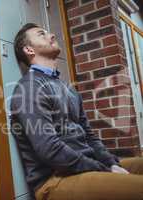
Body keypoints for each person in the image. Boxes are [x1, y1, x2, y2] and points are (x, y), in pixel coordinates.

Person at [10, 23, 143, 200]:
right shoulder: (29, 87)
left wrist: (110, 163)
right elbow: (50, 150)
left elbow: (89, 136)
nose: (51, 35)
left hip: (87, 166)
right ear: (29, 49)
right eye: (42, 34)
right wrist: (105, 169)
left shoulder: (68, 88)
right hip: (55, 180)